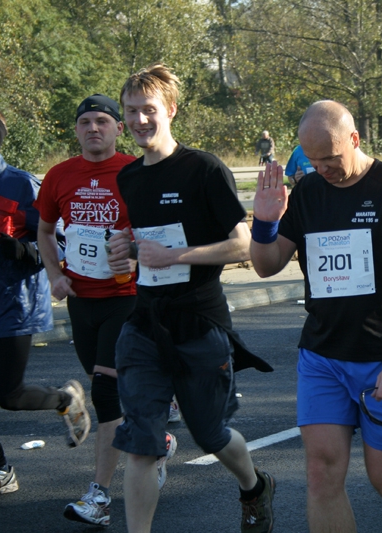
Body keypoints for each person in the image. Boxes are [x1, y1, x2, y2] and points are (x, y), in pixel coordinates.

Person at [249, 100, 382, 533]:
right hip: (322, 356)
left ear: (355, 140)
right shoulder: (307, 192)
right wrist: (265, 222)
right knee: (320, 475)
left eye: (331, 158)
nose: (322, 168)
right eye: (312, 160)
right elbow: (267, 265)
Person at [105, 64, 275, 533]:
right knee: (141, 443)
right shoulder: (130, 177)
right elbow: (141, 247)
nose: (140, 120)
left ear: (171, 110)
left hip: (200, 325)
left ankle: (255, 486)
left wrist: (174, 254)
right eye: (132, 112)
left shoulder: (203, 168)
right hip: (144, 326)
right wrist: (123, 250)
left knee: (210, 434)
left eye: (149, 110)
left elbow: (244, 245)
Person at [35, 94, 176, 525]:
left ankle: (99, 496)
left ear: (117, 128)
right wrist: (55, 274)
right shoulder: (59, 176)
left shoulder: (136, 172)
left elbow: (160, 230)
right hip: (82, 300)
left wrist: (134, 252)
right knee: (112, 392)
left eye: (102, 121)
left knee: (105, 391)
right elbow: (43, 230)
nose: (93, 128)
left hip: (127, 297)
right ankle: (159, 440)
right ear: (76, 130)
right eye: (85, 122)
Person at [0, 105, 91, 499]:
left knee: (8, 396)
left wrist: (25, 252)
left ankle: (65, 399)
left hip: (13, 304)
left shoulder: (22, 185)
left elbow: (61, 238)